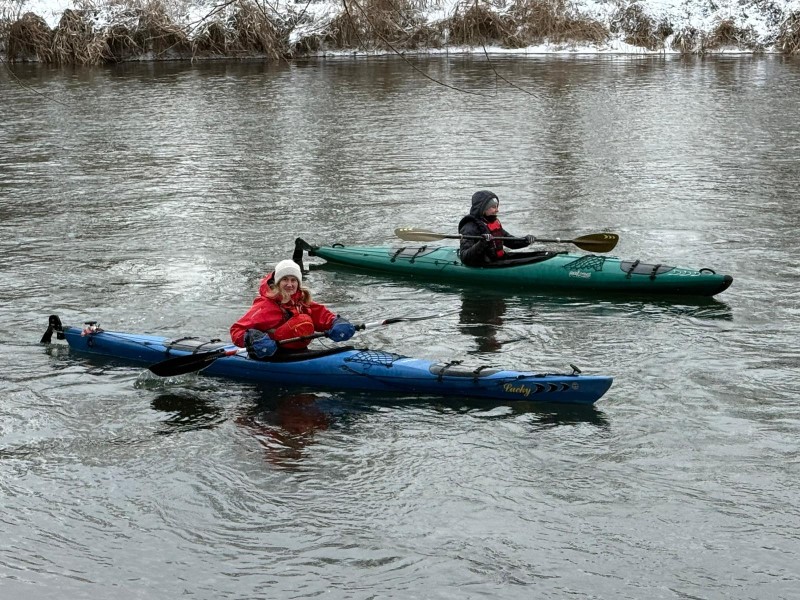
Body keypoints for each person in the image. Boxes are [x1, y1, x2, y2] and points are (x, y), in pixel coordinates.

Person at [230, 259, 356, 359]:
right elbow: (237, 330)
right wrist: (251, 337)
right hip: (270, 355)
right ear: (278, 283)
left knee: (304, 319)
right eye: (284, 279)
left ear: (298, 283)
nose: (290, 284)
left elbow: (324, 317)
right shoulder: (265, 306)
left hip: (297, 353)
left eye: (293, 280)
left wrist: (337, 322)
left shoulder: (302, 301)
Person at [457, 190, 535, 267]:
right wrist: (482, 243)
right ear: (483, 209)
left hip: (497, 260)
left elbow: (510, 241)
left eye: (497, 206)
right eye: (494, 207)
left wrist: (526, 240)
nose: (497, 210)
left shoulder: (492, 223)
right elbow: (465, 257)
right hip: (482, 264)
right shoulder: (469, 227)